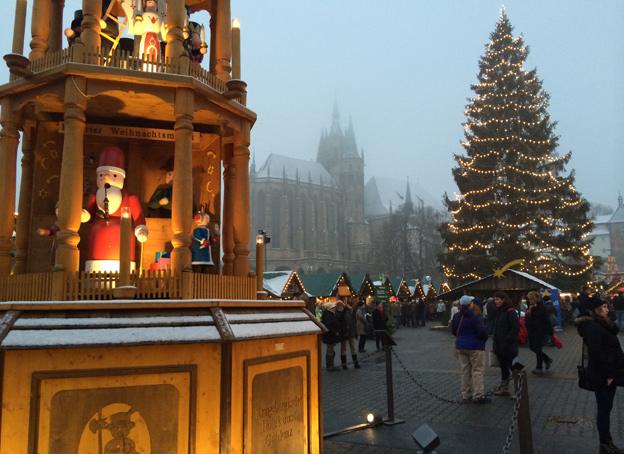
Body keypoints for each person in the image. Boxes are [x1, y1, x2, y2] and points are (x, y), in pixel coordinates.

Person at [576, 293, 624, 454]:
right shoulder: (594, 328)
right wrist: (609, 375)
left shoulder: (602, 324)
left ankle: (606, 441)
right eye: (603, 307)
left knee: (606, 408)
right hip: (603, 375)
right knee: (604, 409)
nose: (606, 309)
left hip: (608, 373)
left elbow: (613, 333)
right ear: (595, 310)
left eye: (606, 306)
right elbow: (598, 354)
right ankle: (605, 443)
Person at [452, 295, 490, 404]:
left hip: (461, 346)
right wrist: (483, 338)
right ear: (470, 304)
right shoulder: (475, 317)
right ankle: (478, 395)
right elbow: (482, 332)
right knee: (477, 370)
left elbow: (454, 331)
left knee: (465, 371)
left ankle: (466, 394)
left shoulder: (457, 316)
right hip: (475, 346)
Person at [492, 291, 519, 396]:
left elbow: (515, 329)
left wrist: (507, 340)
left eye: (497, 299)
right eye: (495, 300)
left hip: (509, 346)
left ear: (503, 300)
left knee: (514, 367)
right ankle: (504, 388)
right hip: (500, 346)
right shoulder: (499, 312)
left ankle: (519, 390)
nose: (496, 302)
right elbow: (497, 329)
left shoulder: (510, 311)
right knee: (503, 367)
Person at [525, 290, 554, 375]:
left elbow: (545, 320)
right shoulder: (530, 307)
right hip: (531, 331)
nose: (530, 301)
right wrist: (529, 313)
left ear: (537, 298)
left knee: (538, 348)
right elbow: (528, 319)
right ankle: (547, 359)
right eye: (529, 299)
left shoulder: (541, 307)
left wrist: (550, 332)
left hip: (540, 331)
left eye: (532, 299)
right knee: (532, 347)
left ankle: (539, 367)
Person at [336, 300, 360, 369]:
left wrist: (355, 332)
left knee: (353, 348)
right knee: (343, 349)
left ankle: (356, 363)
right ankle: (344, 365)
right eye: (340, 305)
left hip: (350, 332)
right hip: (344, 333)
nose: (341, 306)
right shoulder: (338, 313)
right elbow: (340, 319)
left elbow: (352, 322)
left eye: (342, 305)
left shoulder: (348, 312)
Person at [321, 302, 341, 371]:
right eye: (333, 307)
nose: (335, 308)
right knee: (330, 350)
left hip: (330, 335)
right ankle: (330, 366)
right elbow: (329, 325)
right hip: (329, 336)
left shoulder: (329, 314)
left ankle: (330, 365)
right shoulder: (328, 315)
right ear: (330, 308)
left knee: (330, 350)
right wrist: (335, 332)